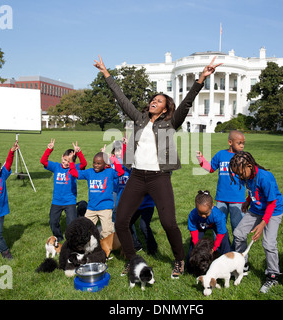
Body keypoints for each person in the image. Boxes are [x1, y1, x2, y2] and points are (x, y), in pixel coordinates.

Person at [94, 55, 222, 279]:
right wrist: (106, 73)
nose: (154, 101)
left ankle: (179, 259)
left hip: (159, 178)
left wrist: (202, 77)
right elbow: (122, 99)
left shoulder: (171, 122)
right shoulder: (139, 119)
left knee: (168, 222)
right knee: (121, 220)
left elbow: (187, 102)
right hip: (136, 176)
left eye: (160, 101)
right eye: (153, 99)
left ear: (165, 109)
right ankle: (133, 259)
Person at [228, 151, 283, 293]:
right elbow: (252, 191)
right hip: (256, 209)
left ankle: (273, 276)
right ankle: (242, 265)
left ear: (249, 166)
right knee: (238, 233)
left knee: (268, 243)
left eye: (240, 173)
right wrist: (247, 201)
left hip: (273, 211)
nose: (239, 177)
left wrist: (263, 224)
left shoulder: (265, 178)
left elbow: (271, 203)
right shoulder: (246, 175)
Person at [196, 130, 246, 250]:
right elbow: (211, 169)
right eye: (239, 143)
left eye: (243, 143)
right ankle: (221, 251)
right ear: (230, 142)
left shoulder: (244, 157)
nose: (242, 146)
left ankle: (239, 254)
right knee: (218, 227)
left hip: (237, 199)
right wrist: (200, 159)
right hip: (221, 199)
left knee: (238, 228)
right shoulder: (221, 155)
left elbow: (250, 175)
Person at [40, 139, 87, 242]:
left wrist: (78, 152)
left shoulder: (74, 168)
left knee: (71, 223)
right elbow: (43, 161)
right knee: (53, 221)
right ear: (62, 157)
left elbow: (84, 164)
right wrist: (49, 149)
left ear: (73, 162)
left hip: (70, 201)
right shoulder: (56, 166)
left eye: (69, 161)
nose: (66, 163)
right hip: (56, 201)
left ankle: (71, 239)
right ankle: (59, 237)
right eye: (65, 159)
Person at [70, 152, 124, 239]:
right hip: (92, 208)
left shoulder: (109, 172)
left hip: (105, 208)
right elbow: (74, 174)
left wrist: (113, 159)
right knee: (85, 229)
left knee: (107, 232)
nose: (96, 165)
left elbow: (121, 171)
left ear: (105, 164)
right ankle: (86, 248)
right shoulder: (89, 172)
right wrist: (72, 161)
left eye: (99, 163)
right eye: (94, 162)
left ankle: (106, 250)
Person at [186, 190, 231, 272]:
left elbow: (221, 233)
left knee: (225, 242)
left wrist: (215, 247)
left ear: (212, 206)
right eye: (200, 213)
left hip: (214, 225)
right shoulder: (193, 215)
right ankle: (190, 267)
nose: (203, 216)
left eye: (206, 213)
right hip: (200, 226)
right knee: (193, 246)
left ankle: (228, 266)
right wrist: (197, 245)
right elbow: (193, 230)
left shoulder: (218, 215)